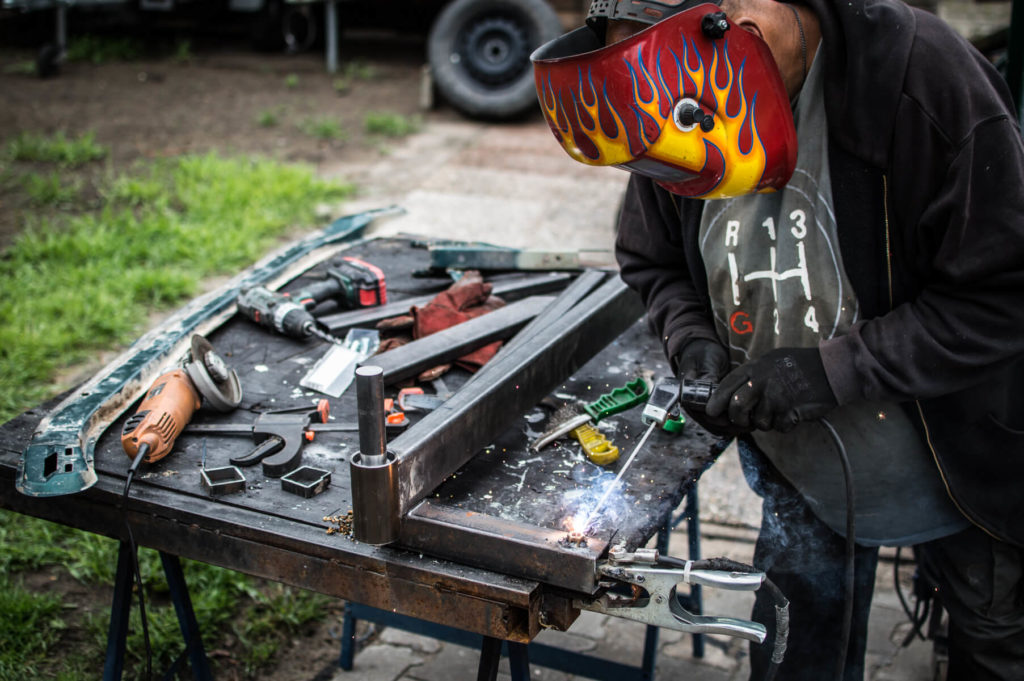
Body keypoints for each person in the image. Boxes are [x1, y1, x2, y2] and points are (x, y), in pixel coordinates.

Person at [531, 0, 1024, 679]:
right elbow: (650, 257)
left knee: (994, 636)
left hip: (962, 453)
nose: (675, 116)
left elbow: (1000, 293)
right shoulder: (669, 100)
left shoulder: (920, 77)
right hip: (802, 457)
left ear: (739, 25)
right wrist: (692, 337)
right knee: (797, 640)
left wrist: (830, 373)